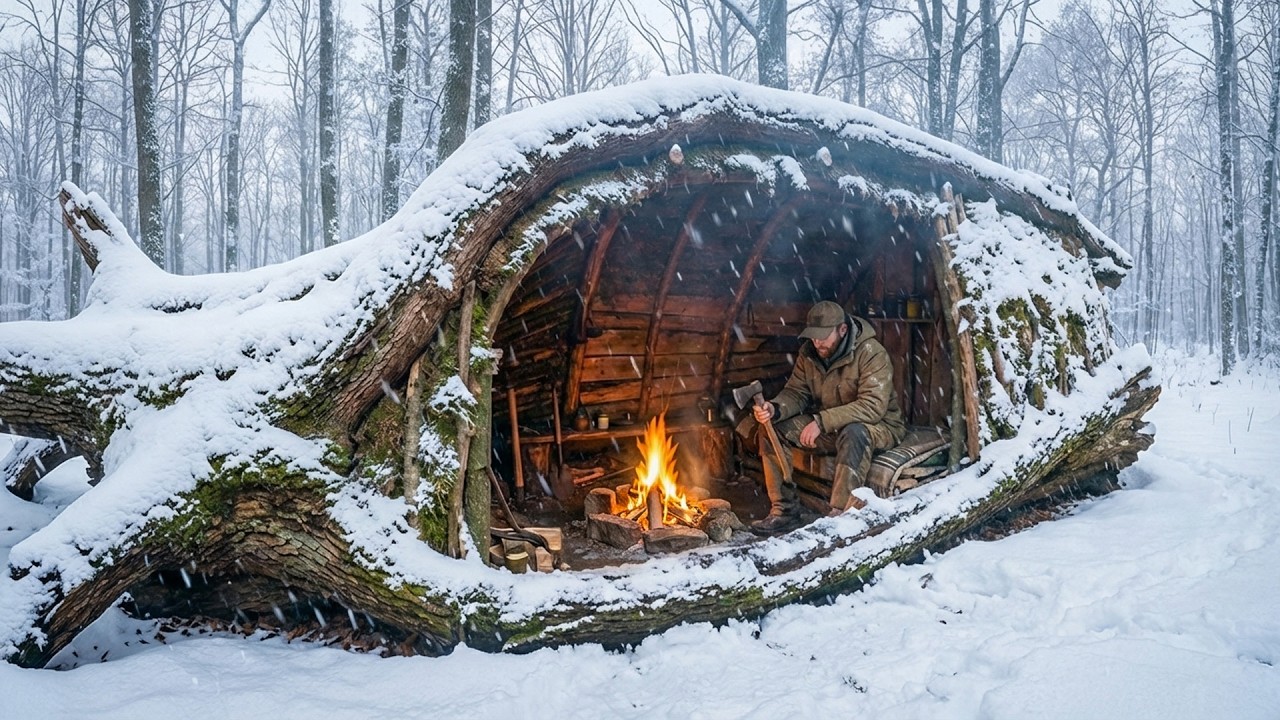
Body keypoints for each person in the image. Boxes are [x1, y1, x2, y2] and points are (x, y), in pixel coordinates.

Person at [738, 300, 906, 534]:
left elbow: (872, 407)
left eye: (823, 337)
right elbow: (797, 392)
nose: (817, 342)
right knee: (772, 428)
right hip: (832, 426)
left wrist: (820, 421)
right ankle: (784, 511)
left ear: (842, 330)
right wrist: (775, 408)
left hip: (878, 427)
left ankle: (839, 515)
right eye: (813, 336)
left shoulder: (871, 353)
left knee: (855, 431)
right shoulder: (809, 354)